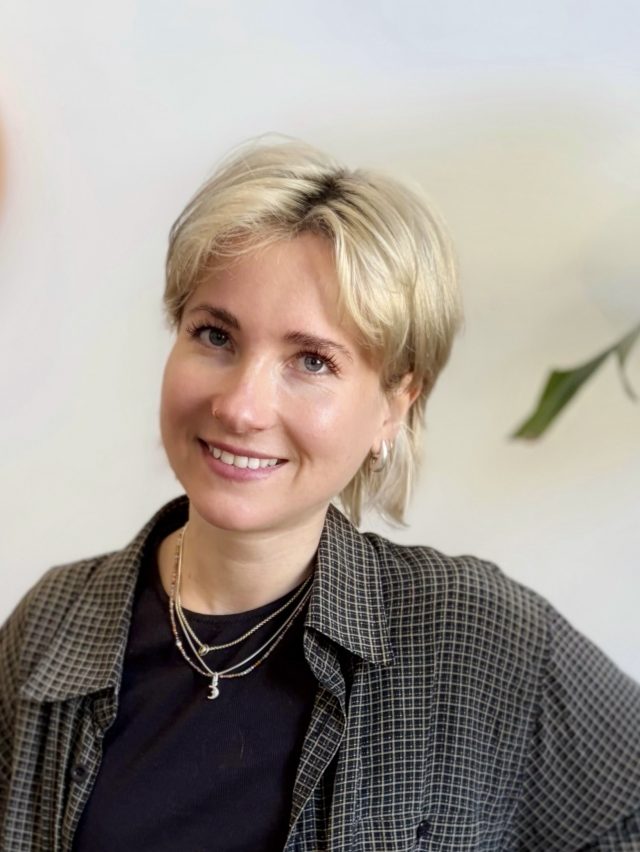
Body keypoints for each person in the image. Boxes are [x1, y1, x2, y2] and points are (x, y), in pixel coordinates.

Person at [1, 138, 639, 852]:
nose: (242, 407)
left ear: (394, 404)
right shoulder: (52, 627)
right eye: (215, 335)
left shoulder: (478, 639)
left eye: (311, 361)